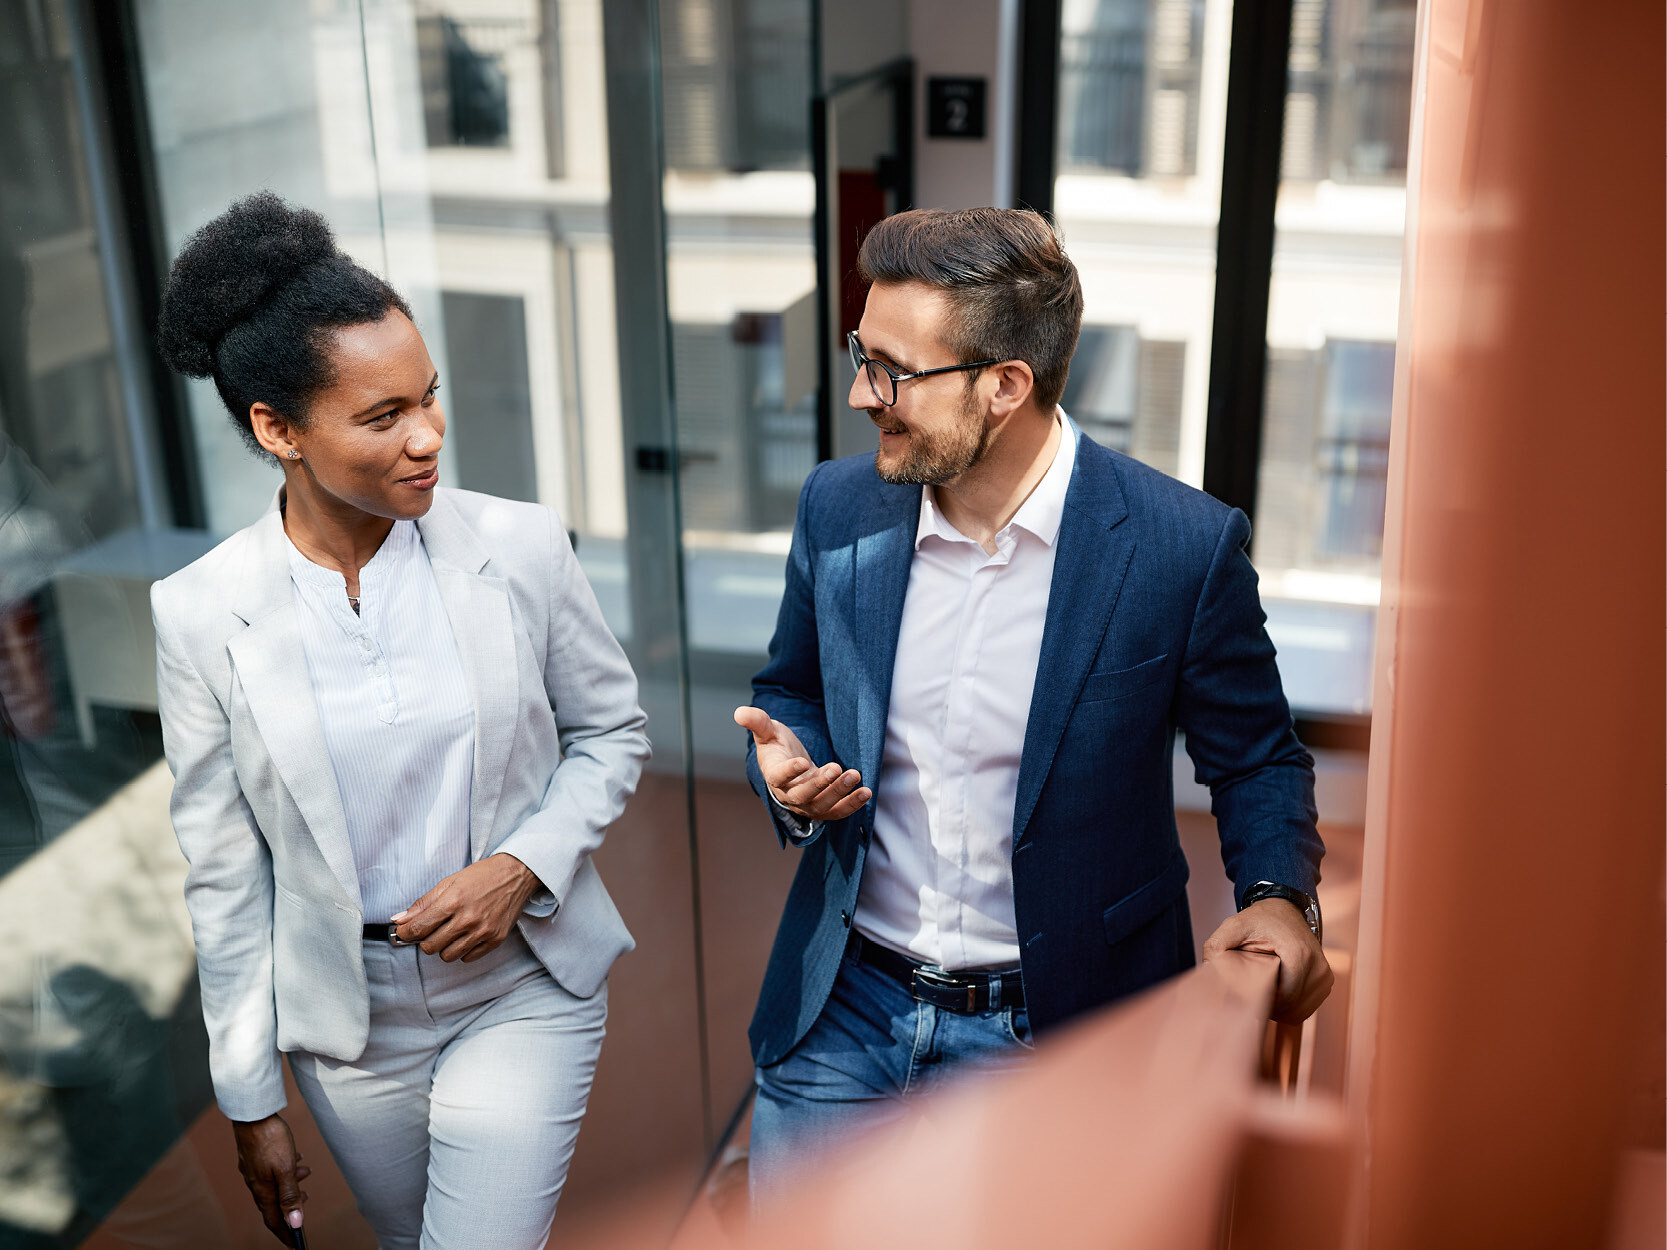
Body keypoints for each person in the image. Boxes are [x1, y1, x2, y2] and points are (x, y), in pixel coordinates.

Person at [735, 207, 1332, 1194]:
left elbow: (1257, 758)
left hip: (1063, 1027)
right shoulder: (833, 507)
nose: (858, 393)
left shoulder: (1178, 547)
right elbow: (789, 683)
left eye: (891, 369)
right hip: (842, 1007)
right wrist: (788, 764)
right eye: (859, 354)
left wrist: (1275, 896)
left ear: (1004, 384)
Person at [150, 193, 648, 1249]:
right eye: (382, 416)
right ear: (277, 429)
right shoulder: (199, 610)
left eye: (428, 397)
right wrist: (250, 1094)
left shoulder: (515, 548)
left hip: (522, 983)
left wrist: (519, 862)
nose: (427, 437)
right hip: (350, 1026)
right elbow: (225, 869)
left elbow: (612, 732)